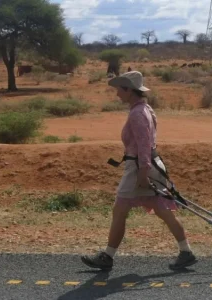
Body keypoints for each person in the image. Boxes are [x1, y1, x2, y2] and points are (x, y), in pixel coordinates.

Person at [81, 71, 197, 270]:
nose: (117, 93)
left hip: (139, 169)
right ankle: (186, 251)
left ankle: (107, 257)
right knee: (163, 210)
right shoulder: (145, 109)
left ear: (129, 90)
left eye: (119, 89)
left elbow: (144, 146)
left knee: (120, 210)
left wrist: (143, 174)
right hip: (148, 166)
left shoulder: (137, 114)